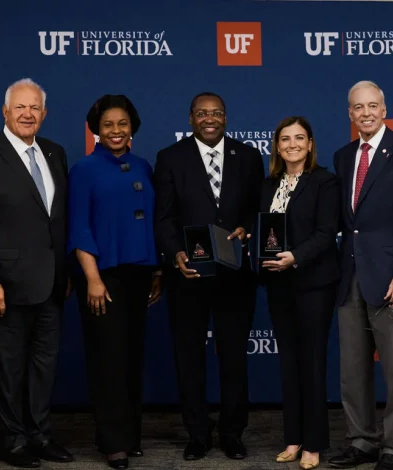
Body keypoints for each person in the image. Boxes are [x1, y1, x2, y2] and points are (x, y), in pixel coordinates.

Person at [0, 78, 73, 468]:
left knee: (44, 367)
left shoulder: (56, 153)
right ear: (5, 112)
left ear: (44, 114)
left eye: (35, 108)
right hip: (4, 286)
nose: (28, 114)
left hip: (52, 284)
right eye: (20, 107)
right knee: (9, 369)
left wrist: (67, 271)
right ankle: (13, 441)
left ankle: (40, 436)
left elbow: (57, 220)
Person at [328, 81, 393, 470]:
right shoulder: (342, 157)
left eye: (373, 105)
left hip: (392, 279)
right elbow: (339, 220)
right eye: (359, 107)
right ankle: (362, 440)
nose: (366, 113)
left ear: (384, 108)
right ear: (350, 114)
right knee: (352, 369)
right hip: (349, 275)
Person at [153, 92, 264, 461]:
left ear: (226, 117)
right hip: (189, 276)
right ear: (190, 119)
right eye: (202, 113)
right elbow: (164, 217)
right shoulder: (170, 158)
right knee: (189, 357)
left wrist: (247, 228)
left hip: (235, 275)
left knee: (233, 357)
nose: (209, 118)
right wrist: (175, 253)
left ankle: (233, 432)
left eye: (216, 112)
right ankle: (197, 434)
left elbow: (257, 209)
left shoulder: (248, 157)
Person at [68, 94, 162, 470]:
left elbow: (153, 220)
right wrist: (91, 277)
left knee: (132, 356)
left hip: (141, 274)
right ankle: (113, 443)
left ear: (132, 127)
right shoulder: (84, 169)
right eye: (108, 125)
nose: (116, 131)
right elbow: (79, 225)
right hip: (102, 276)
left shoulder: (143, 165)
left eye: (122, 124)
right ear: (96, 129)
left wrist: (157, 271)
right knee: (108, 358)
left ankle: (130, 435)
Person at [254, 117, 340, 470]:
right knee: (288, 363)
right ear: (277, 146)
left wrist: (295, 257)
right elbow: (264, 230)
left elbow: (326, 231)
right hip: (278, 284)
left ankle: (314, 444)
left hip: (314, 283)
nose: (292, 144)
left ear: (309, 143)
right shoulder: (268, 184)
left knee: (313, 362)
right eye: (285, 139)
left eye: (299, 138)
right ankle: (292, 438)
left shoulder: (325, 182)